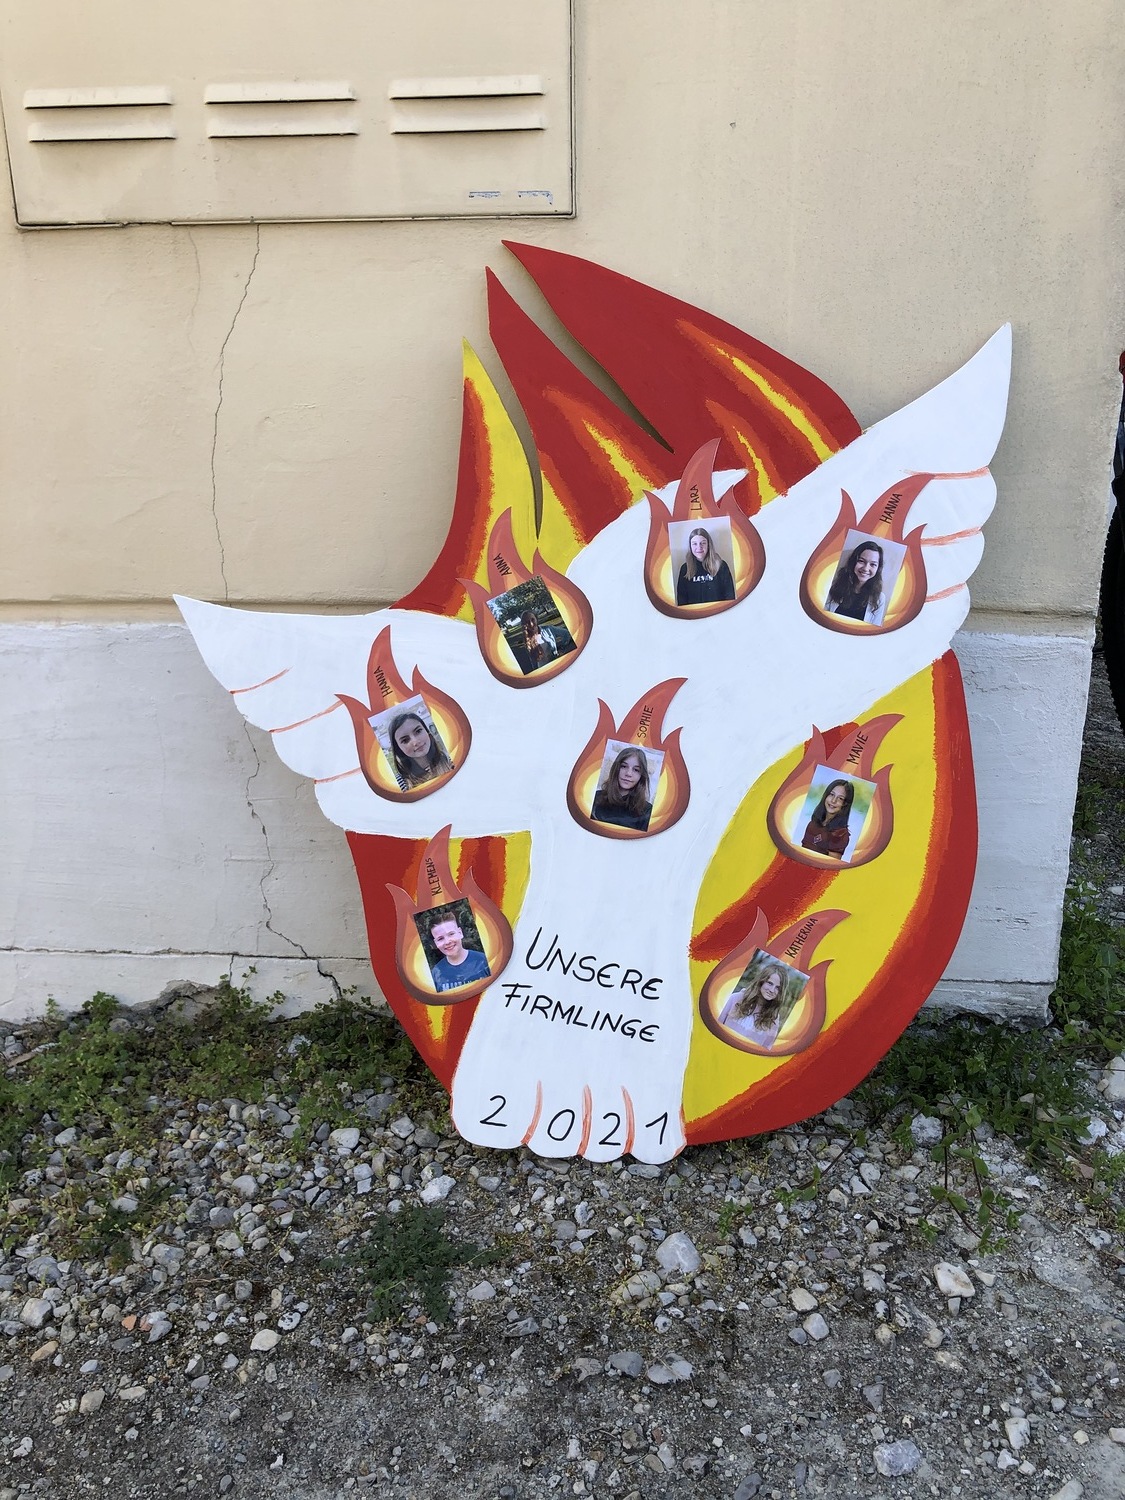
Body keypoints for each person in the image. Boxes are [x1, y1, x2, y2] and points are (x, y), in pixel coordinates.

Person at [718, 964, 789, 1047]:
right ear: (761, 982)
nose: (772, 990)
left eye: (777, 988)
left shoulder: (773, 1018)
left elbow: (765, 1049)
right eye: (770, 983)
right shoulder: (735, 998)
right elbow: (716, 1026)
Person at [425, 910, 491, 992]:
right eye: (440, 939)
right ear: (436, 943)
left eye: (451, 934)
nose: (447, 942)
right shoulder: (436, 972)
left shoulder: (484, 961)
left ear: (460, 933)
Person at [591, 746, 654, 831]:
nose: (628, 773)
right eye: (624, 766)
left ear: (641, 775)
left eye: (636, 770)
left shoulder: (647, 811)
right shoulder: (595, 797)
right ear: (616, 768)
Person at [825, 539, 887, 624]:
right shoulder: (834, 587)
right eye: (861, 561)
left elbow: (873, 628)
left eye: (873, 564)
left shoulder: (880, 599)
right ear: (853, 562)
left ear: (878, 568)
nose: (866, 568)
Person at [388, 709, 453, 790]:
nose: (415, 742)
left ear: (427, 731)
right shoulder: (399, 784)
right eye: (405, 740)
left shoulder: (450, 760)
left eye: (418, 731)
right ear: (399, 749)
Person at [675, 526, 735, 607]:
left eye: (703, 543)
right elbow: (682, 600)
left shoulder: (721, 566)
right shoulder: (685, 569)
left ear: (708, 545)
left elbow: (730, 596)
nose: (699, 547)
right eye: (694, 544)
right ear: (690, 546)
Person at [801, 778, 855, 858]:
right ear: (826, 796)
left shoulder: (841, 834)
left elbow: (832, 862)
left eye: (840, 798)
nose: (833, 801)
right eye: (832, 794)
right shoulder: (813, 824)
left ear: (845, 804)